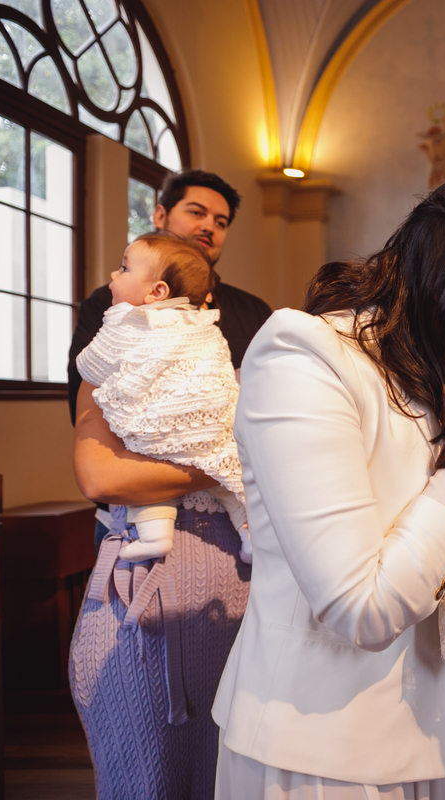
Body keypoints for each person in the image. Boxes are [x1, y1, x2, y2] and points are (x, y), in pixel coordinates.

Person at [211, 173, 445, 798]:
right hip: (322, 746)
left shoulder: (439, 377)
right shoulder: (307, 355)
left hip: (432, 733)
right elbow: (362, 606)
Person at [69, 273, 254, 796]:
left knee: (228, 766)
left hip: (234, 581)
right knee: (142, 761)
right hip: (142, 578)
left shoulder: (230, 382)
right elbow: (101, 477)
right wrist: (224, 463)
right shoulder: (111, 374)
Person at [67, 170, 272, 547]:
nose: (209, 226)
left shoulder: (254, 311)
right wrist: (232, 461)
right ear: (160, 216)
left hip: (241, 522)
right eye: (197, 212)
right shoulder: (115, 306)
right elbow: (99, 470)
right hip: (134, 517)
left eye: (221, 221)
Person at [75, 232, 250, 564]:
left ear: (157, 292)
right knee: (233, 486)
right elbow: (221, 368)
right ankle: (250, 534)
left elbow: (91, 366)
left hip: (155, 430)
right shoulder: (205, 324)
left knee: (143, 464)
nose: (114, 275)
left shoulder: (125, 321)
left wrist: (91, 370)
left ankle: (155, 536)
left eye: (123, 269)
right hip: (209, 429)